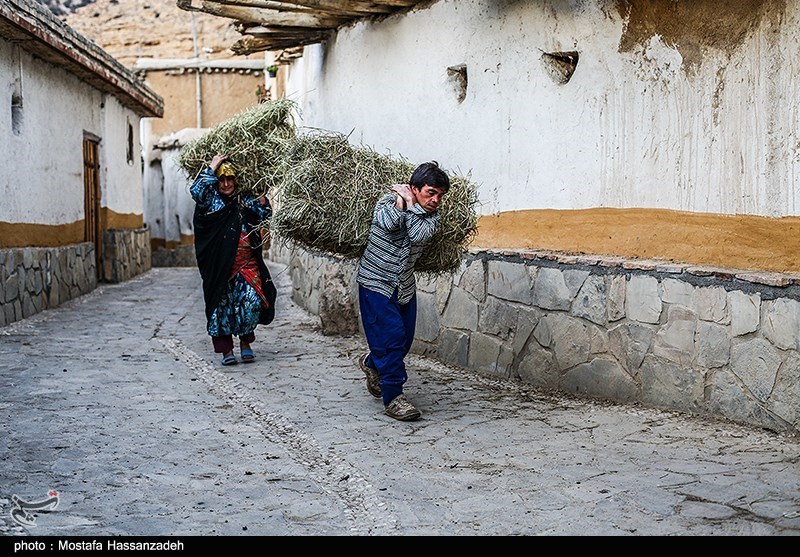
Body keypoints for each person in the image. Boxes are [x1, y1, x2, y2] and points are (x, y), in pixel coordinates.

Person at [356, 161, 450, 421]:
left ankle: (372, 363)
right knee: (392, 338)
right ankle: (394, 398)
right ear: (414, 188)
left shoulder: (432, 218)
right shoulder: (387, 201)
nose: (435, 200)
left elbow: (417, 235)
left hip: (404, 287)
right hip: (376, 282)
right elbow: (387, 223)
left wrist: (412, 205)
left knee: (404, 341)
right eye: (431, 192)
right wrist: (402, 201)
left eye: (440, 195)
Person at [191, 153, 276, 366]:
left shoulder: (244, 198)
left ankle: (246, 344)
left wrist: (263, 200)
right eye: (222, 179)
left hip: (248, 265)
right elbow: (196, 191)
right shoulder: (211, 200)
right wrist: (213, 167)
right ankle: (226, 350)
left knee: (251, 303)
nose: (227, 184)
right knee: (222, 309)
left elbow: (265, 214)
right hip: (219, 267)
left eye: (231, 179)